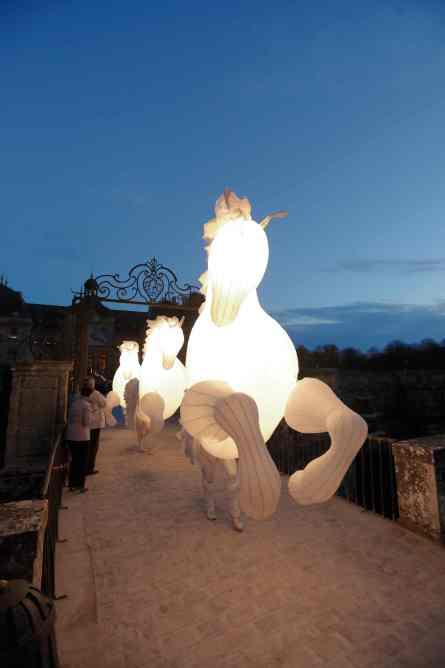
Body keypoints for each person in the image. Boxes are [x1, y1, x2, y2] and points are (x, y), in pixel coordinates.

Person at [65, 384, 93, 492]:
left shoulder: (74, 403)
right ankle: (80, 485)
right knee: (82, 461)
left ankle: (72, 484)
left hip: (71, 435)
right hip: (82, 436)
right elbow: (86, 422)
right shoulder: (86, 405)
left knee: (74, 460)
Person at [85, 376, 106, 475]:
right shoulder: (96, 394)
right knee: (93, 446)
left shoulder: (83, 395)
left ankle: (86, 466)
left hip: (87, 424)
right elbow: (104, 403)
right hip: (95, 423)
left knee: (87, 446)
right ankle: (89, 467)